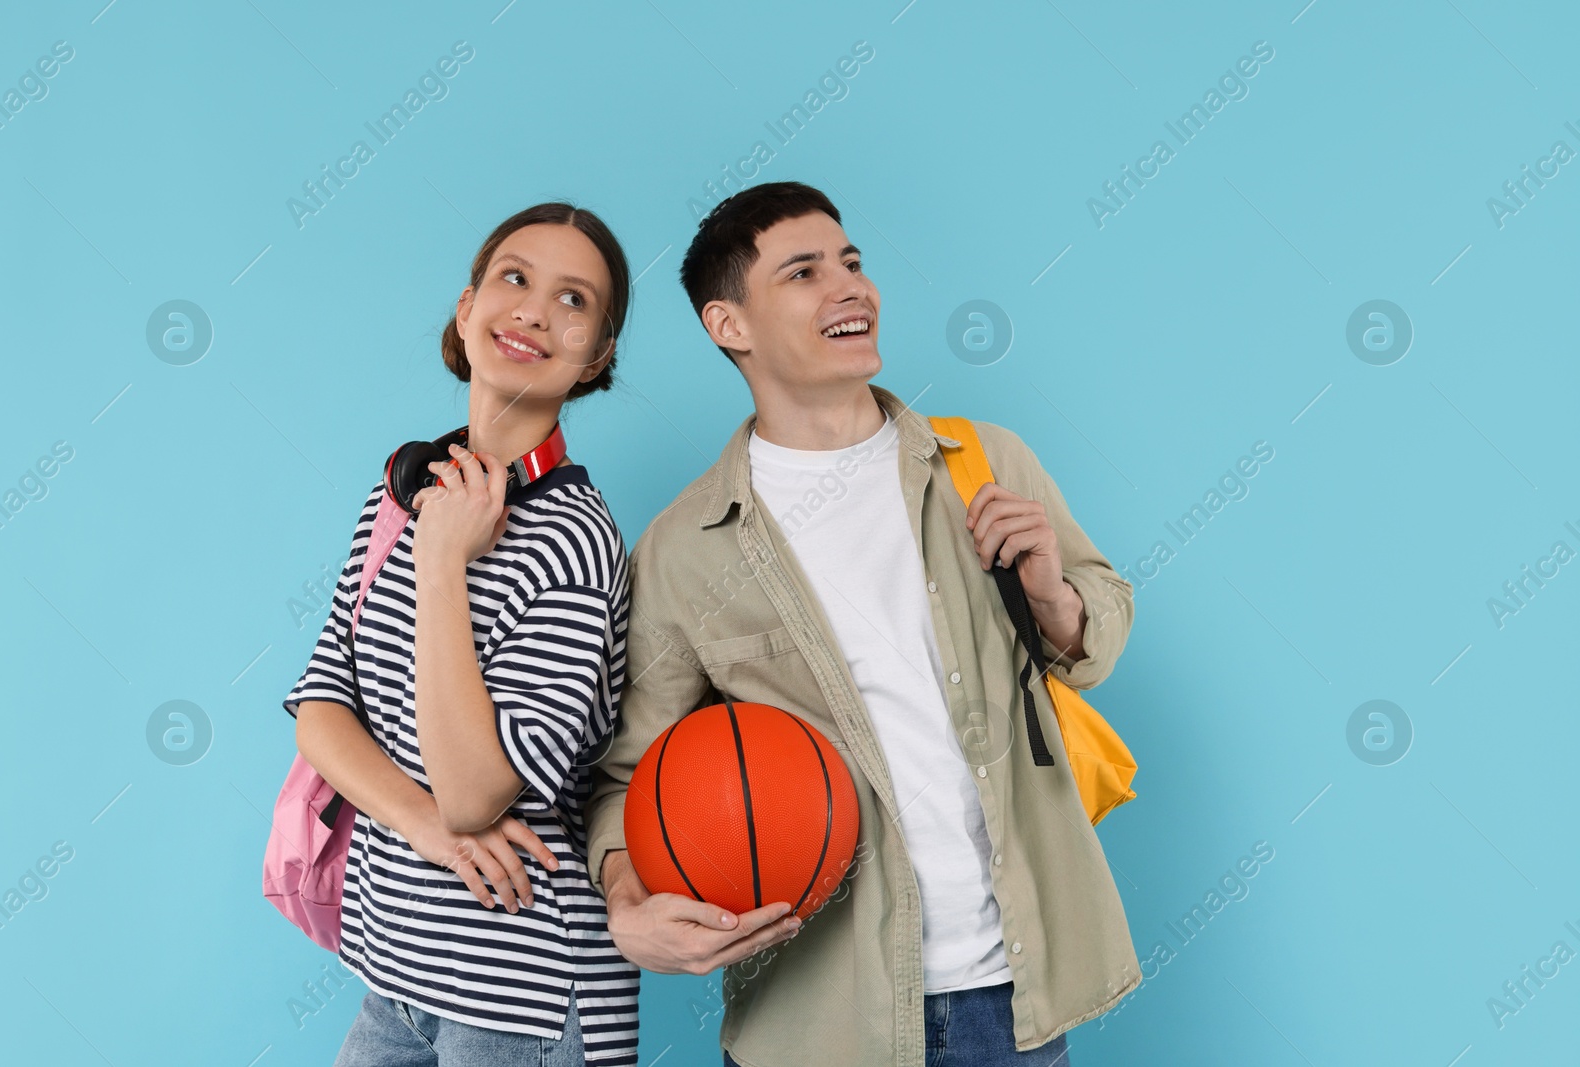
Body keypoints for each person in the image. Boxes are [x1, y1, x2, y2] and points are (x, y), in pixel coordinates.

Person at [584, 181, 1140, 1066]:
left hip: (1013, 1002)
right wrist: (625, 902)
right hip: (817, 1023)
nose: (851, 287)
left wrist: (1052, 597)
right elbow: (624, 778)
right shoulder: (684, 550)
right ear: (730, 325)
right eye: (803, 272)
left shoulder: (984, 461)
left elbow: (1098, 625)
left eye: (852, 262)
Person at [284, 203, 640, 1067]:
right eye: (514, 279)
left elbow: (478, 794)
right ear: (467, 306)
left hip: (523, 994)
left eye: (573, 300)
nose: (532, 311)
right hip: (395, 973)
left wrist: (443, 564)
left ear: (596, 356)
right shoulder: (403, 492)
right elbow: (323, 706)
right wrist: (420, 826)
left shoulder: (577, 541)